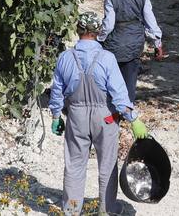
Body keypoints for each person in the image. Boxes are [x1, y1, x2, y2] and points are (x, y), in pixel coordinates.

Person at [48, 12, 149, 216]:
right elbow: (120, 96)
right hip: (106, 117)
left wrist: (56, 116)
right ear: (98, 32)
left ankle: (72, 209)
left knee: (75, 164)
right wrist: (134, 119)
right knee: (107, 164)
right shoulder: (107, 58)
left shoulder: (65, 57)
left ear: (78, 30)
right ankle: (107, 209)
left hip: (76, 116)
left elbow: (56, 90)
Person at [101, 0, 164, 106]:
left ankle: (112, 109)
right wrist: (157, 43)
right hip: (135, 41)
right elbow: (149, 19)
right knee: (130, 77)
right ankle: (127, 109)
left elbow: (109, 24)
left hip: (114, 42)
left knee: (113, 78)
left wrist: (100, 38)